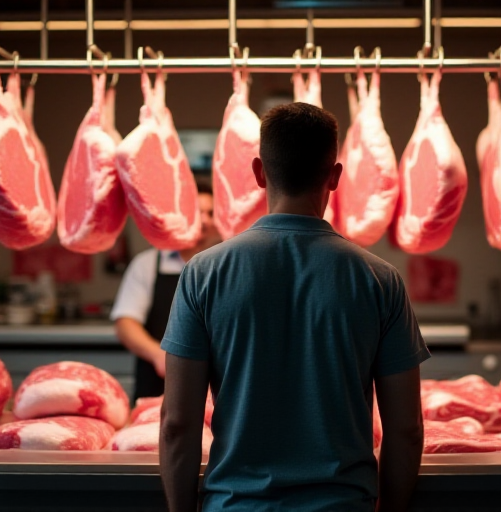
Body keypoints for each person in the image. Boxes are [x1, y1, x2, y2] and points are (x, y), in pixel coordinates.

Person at [159, 103, 429, 512]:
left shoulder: (203, 274)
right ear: (335, 177)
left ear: (259, 173)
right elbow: (406, 430)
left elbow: (178, 424)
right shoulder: (380, 279)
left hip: (236, 505)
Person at [110, 179, 220, 402]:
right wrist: (157, 354)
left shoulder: (224, 264)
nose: (206, 221)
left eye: (211, 213)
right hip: (157, 385)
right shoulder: (147, 264)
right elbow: (126, 323)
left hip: (216, 386)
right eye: (199, 213)